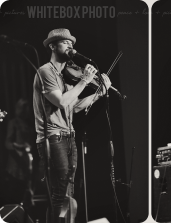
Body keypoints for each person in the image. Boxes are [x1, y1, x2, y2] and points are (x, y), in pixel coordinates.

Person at [33, 28, 111, 223]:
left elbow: (74, 106)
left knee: (69, 193)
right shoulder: (45, 71)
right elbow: (61, 102)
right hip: (53, 138)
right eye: (65, 42)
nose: (70, 45)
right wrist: (84, 80)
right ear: (52, 45)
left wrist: (100, 92)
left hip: (68, 137)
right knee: (59, 195)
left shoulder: (62, 77)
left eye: (72, 43)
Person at [4, 99, 35, 208]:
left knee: (26, 196)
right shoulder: (13, 123)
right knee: (14, 197)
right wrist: (19, 146)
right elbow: (7, 143)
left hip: (27, 164)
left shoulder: (29, 124)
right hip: (15, 164)